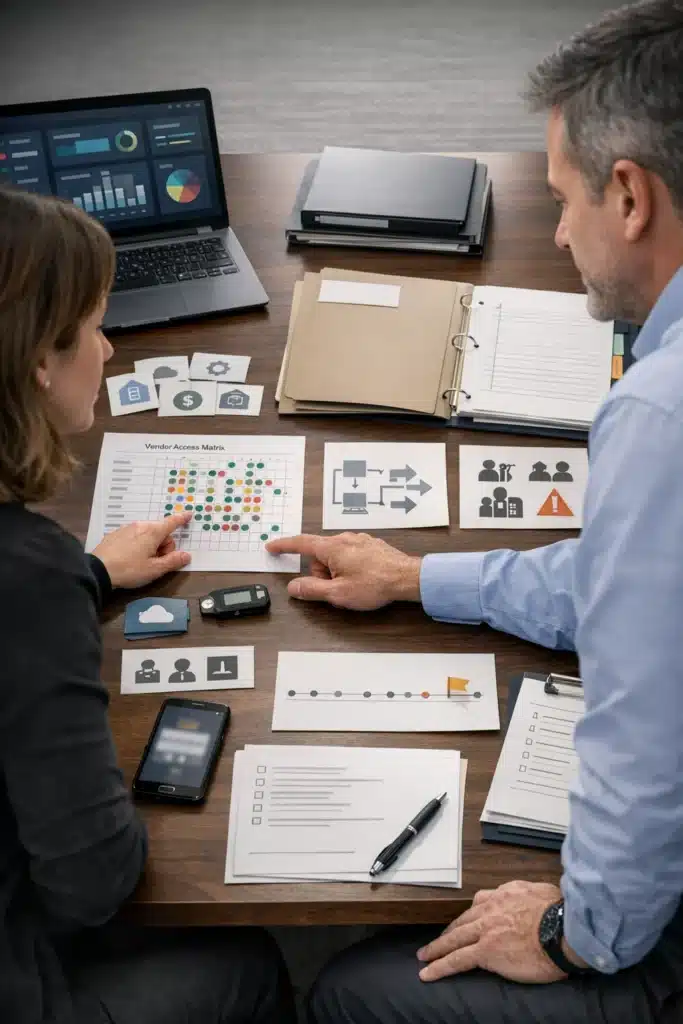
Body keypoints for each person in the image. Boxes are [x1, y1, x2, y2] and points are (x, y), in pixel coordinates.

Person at [268, 2, 683, 1021]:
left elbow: (646, 744)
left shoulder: (661, 415)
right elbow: (637, 584)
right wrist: (417, 577)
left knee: (353, 994)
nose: (557, 231)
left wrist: (573, 934)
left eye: (562, 200)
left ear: (629, 196)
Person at [0, 187, 295, 1024]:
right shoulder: (25, 576)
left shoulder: (35, 574)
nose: (108, 348)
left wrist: (88, 576)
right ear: (40, 361)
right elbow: (93, 881)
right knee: (241, 962)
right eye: (95, 327)